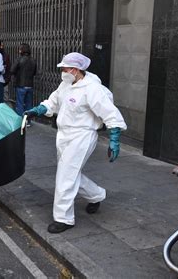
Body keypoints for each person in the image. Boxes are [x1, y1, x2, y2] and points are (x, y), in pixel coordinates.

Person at [25, 52, 127, 234]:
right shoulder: (66, 84)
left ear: (75, 69)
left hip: (82, 136)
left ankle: (64, 218)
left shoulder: (92, 89)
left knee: (65, 176)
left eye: (65, 68)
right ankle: (96, 196)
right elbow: (53, 101)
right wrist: (39, 109)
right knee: (71, 173)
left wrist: (114, 139)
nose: (62, 71)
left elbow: (110, 113)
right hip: (63, 135)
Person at [10, 43, 37, 124]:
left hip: (21, 85)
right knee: (29, 104)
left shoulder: (19, 59)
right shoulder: (33, 60)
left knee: (20, 104)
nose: (19, 50)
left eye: (20, 49)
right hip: (30, 85)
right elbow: (35, 72)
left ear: (22, 50)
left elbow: (12, 70)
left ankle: (21, 122)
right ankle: (28, 121)